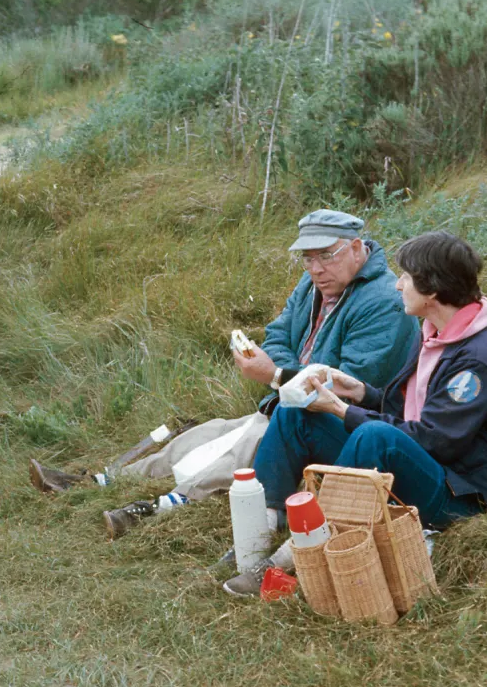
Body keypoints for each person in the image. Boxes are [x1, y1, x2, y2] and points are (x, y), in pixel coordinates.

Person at [32, 209, 420, 540]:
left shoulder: (383, 300)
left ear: (356, 248)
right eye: (306, 258)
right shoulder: (314, 283)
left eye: (326, 256)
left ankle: (160, 507)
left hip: (327, 421)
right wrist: (278, 371)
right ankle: (104, 480)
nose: (316, 268)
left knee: (240, 445)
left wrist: (275, 373)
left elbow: (341, 386)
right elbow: (278, 333)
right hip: (286, 402)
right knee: (208, 433)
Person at [222, 230, 487, 596]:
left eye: (406, 278)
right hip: (425, 462)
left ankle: (292, 558)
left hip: (461, 492)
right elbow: (410, 411)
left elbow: (435, 440)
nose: (397, 285)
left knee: (373, 436)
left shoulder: (478, 361)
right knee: (295, 414)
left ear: (431, 291)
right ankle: (258, 537)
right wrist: (360, 392)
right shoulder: (434, 329)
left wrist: (342, 410)